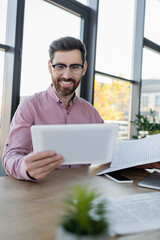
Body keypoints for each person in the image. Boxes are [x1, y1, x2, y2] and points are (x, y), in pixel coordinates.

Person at [2, 36, 104, 181]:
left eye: (74, 67)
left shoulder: (91, 113)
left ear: (84, 68)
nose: (67, 75)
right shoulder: (30, 106)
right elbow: (11, 155)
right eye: (60, 66)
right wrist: (26, 168)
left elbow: (107, 152)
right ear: (50, 67)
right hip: (41, 191)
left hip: (83, 194)